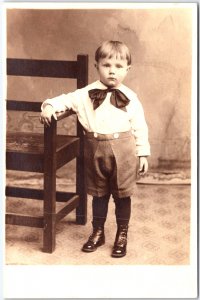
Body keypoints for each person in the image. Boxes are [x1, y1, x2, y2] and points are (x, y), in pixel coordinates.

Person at [40, 40, 150, 258]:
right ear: (97, 66)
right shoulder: (85, 94)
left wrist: (143, 152)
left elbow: (140, 126)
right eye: (107, 65)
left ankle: (122, 233)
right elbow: (64, 101)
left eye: (119, 67)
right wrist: (49, 106)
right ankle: (98, 231)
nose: (112, 71)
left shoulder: (131, 97)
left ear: (128, 69)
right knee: (98, 195)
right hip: (94, 151)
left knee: (122, 196)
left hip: (125, 151)